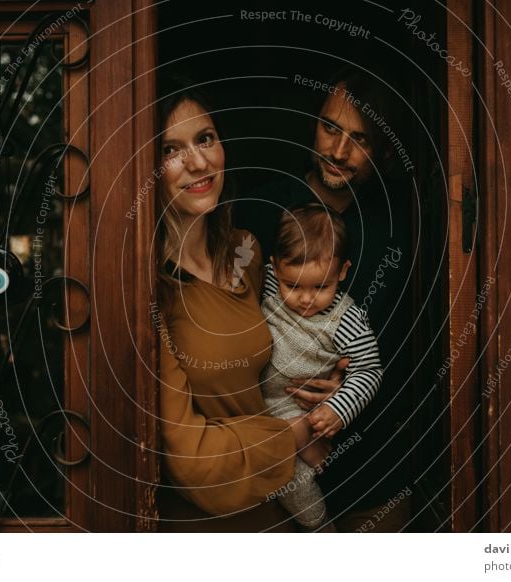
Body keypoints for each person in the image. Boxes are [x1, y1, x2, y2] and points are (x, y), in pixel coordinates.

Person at [235, 66, 415, 531]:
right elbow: (226, 330)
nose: (338, 150)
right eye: (329, 127)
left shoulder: (398, 228)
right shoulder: (261, 210)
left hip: (372, 474)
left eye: (361, 139)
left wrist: (347, 390)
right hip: (270, 467)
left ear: (384, 152)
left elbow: (410, 346)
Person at [153, 79, 331, 532]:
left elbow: (275, 355)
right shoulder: (151, 291)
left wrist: (328, 383)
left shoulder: (244, 252)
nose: (198, 161)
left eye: (205, 139)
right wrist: (298, 432)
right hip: (204, 527)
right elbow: (191, 462)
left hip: (279, 508)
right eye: (171, 149)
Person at [259, 203, 383, 530]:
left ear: (342, 272)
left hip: (293, 411)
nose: (306, 299)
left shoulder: (346, 320)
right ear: (275, 269)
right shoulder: (271, 285)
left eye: (321, 287)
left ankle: (320, 527)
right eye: (294, 286)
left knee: (293, 481)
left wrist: (338, 410)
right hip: (253, 405)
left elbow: (369, 370)